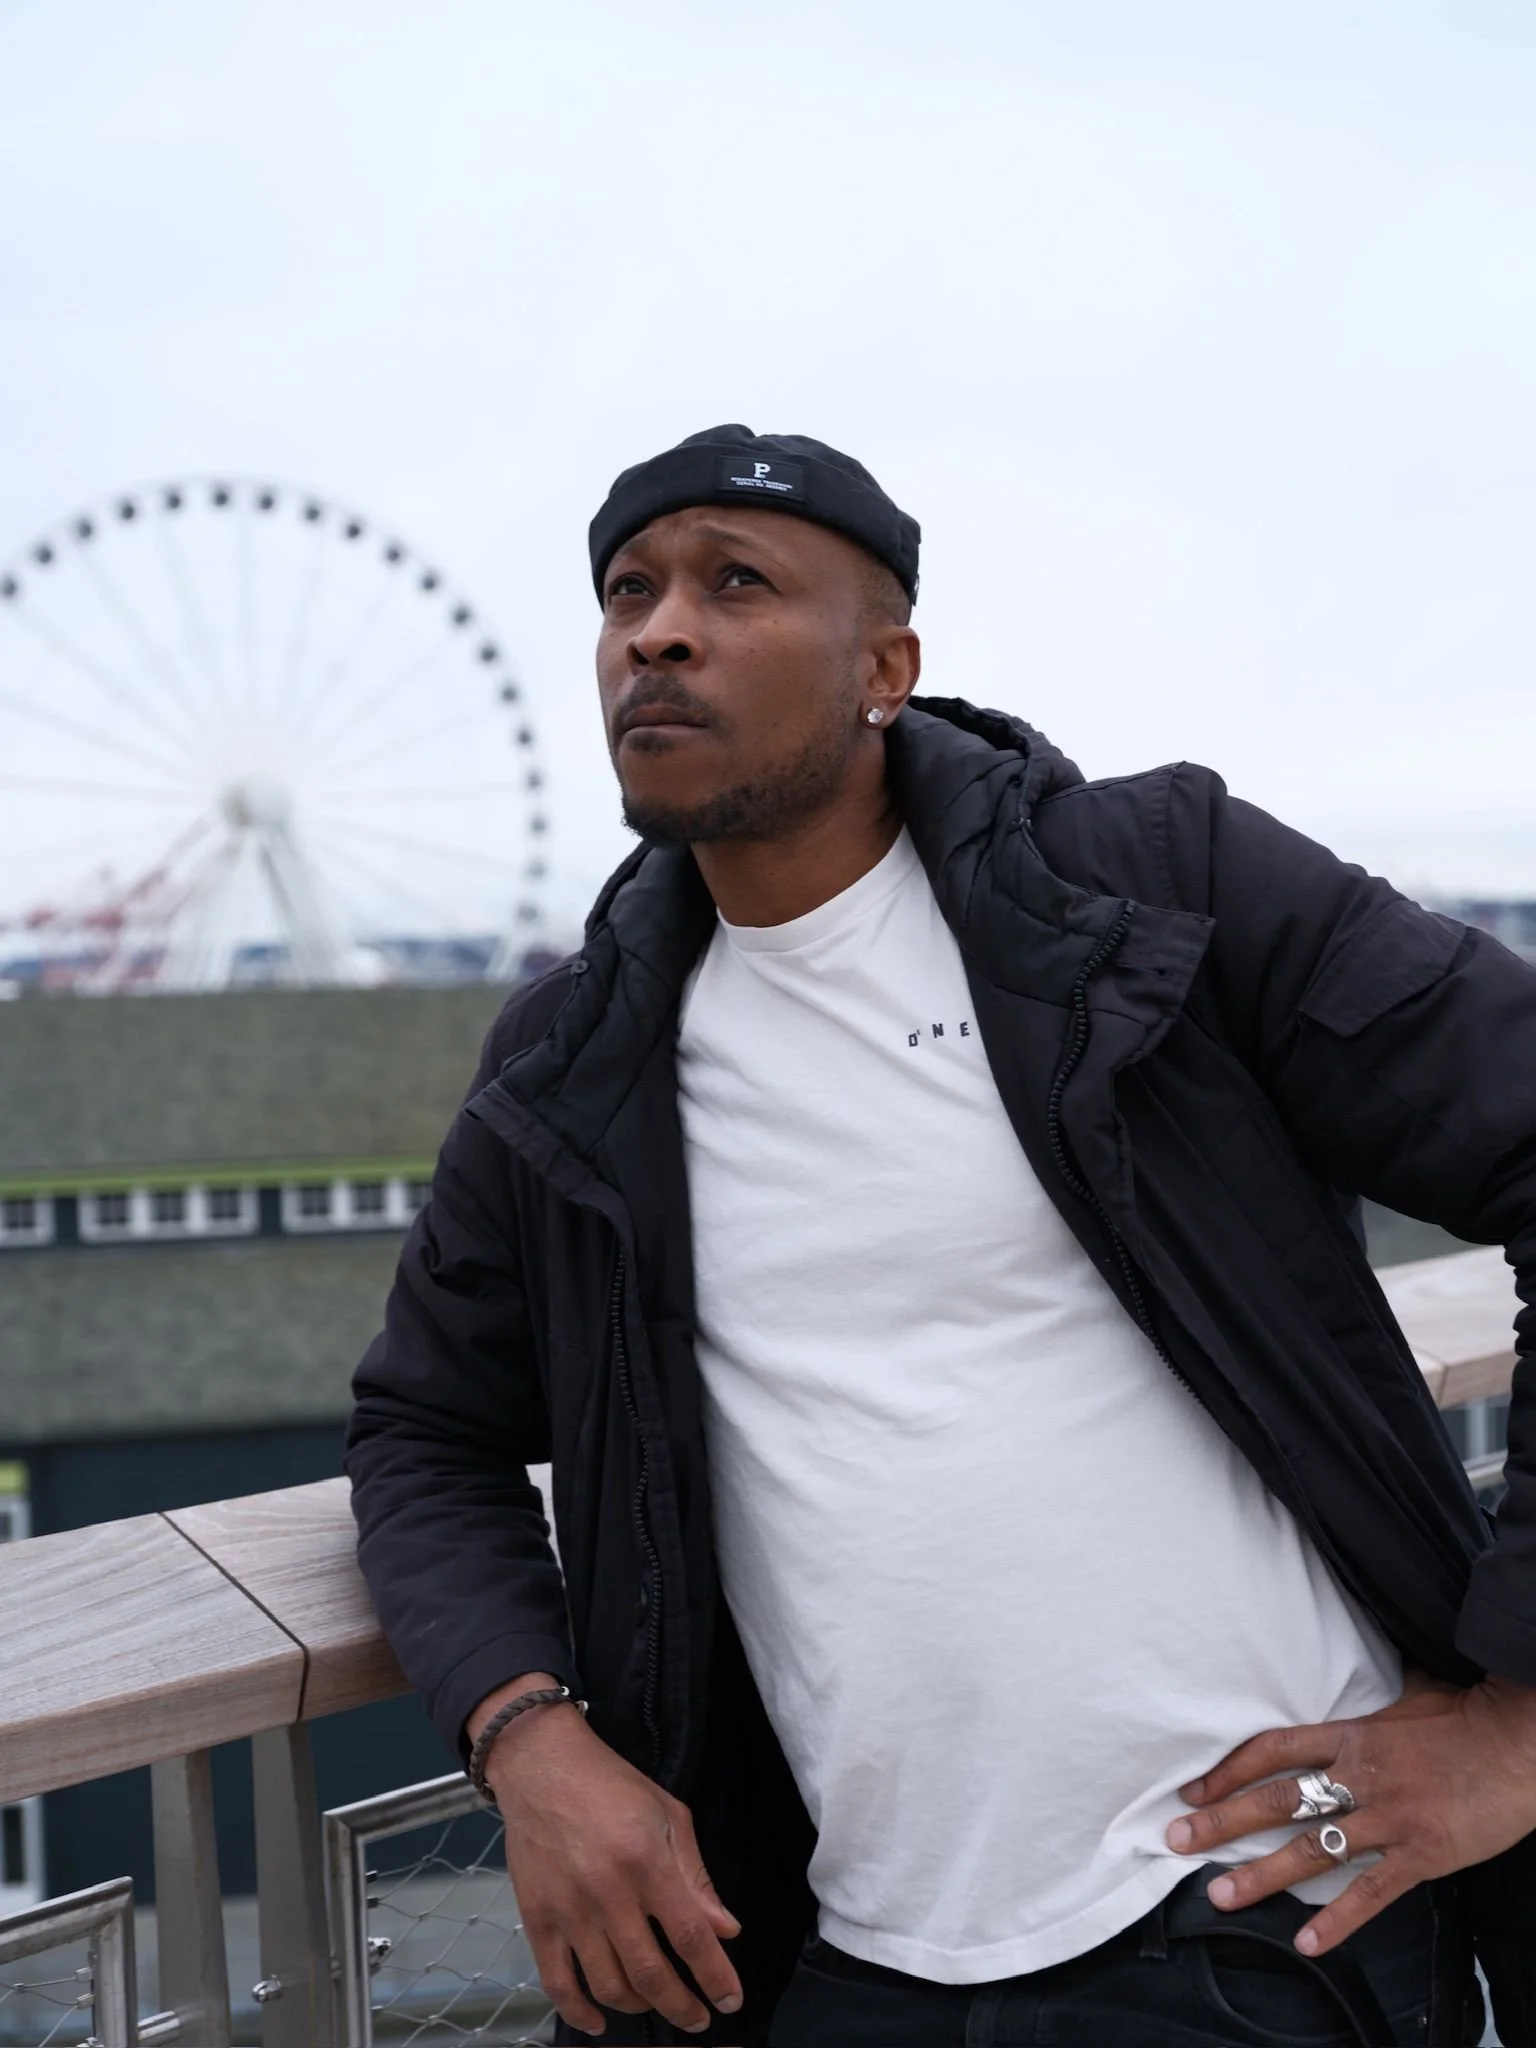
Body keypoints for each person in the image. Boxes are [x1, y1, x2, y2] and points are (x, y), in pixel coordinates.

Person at [346, 425, 1536, 2048]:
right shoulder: (574, 1061)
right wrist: (529, 1738)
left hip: (1247, 1922)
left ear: (884, 667)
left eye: (734, 582)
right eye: (628, 590)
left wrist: (1517, 1732)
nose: (658, 630)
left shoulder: (1157, 893)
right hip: (843, 1959)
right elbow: (425, 1425)